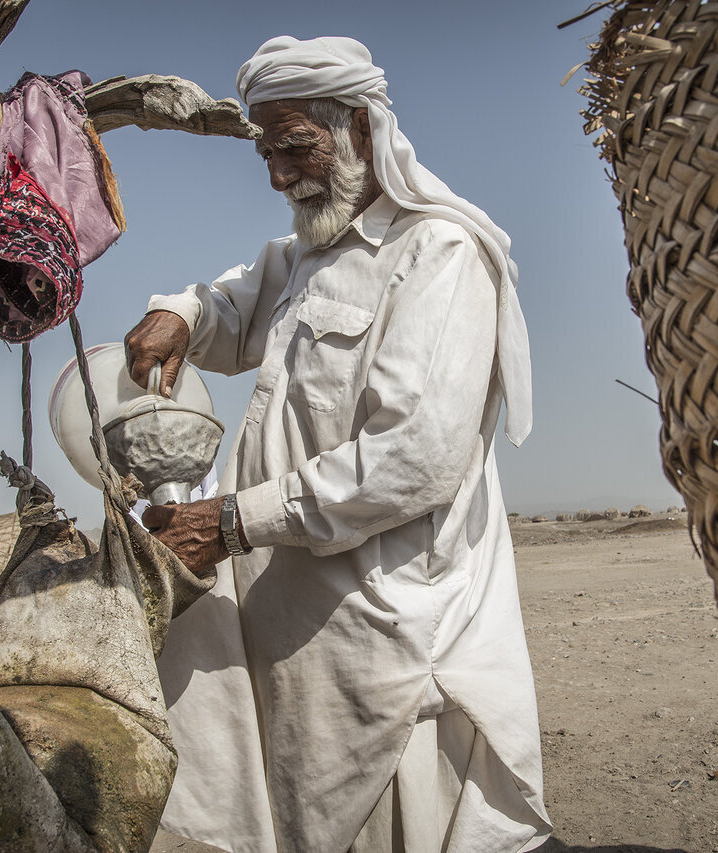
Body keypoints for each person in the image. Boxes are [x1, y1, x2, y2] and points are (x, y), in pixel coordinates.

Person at [124, 35, 549, 853]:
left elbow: (413, 458)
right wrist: (180, 311)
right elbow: (231, 303)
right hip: (294, 637)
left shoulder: (439, 257)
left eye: (295, 149)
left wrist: (234, 521)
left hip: (384, 641)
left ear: (360, 127)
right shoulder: (307, 255)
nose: (280, 177)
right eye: (267, 154)